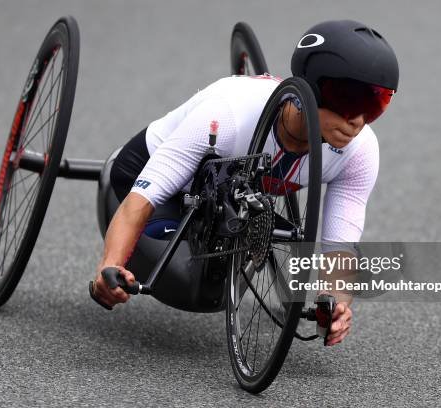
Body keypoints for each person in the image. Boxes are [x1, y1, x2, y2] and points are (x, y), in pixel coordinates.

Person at [90, 20, 399, 347]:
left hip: (222, 196)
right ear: (311, 87)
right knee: (184, 281)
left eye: (375, 104)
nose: (358, 120)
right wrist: (109, 265)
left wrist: (336, 302)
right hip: (149, 179)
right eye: (350, 99)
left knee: (215, 272)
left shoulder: (360, 151)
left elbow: (341, 245)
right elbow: (141, 200)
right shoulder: (229, 116)